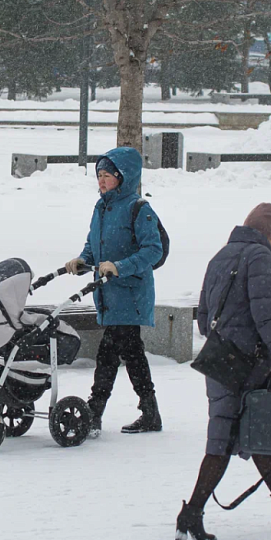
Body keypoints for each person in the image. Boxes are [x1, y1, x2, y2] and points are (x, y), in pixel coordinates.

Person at [175, 203, 271, 540]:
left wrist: (225, 338)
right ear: (268, 234)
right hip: (246, 362)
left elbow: (203, 315)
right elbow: (266, 313)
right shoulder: (260, 257)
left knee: (254, 426)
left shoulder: (220, 256)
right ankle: (191, 512)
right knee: (223, 440)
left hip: (219, 358)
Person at [65, 147, 164, 437]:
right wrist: (83, 261)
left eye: (107, 175)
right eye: (99, 175)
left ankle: (95, 411)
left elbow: (153, 250)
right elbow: (94, 244)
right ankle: (149, 411)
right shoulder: (101, 208)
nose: (102, 180)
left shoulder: (139, 209)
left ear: (124, 177)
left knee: (110, 354)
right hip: (109, 295)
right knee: (130, 354)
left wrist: (120, 267)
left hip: (130, 294)